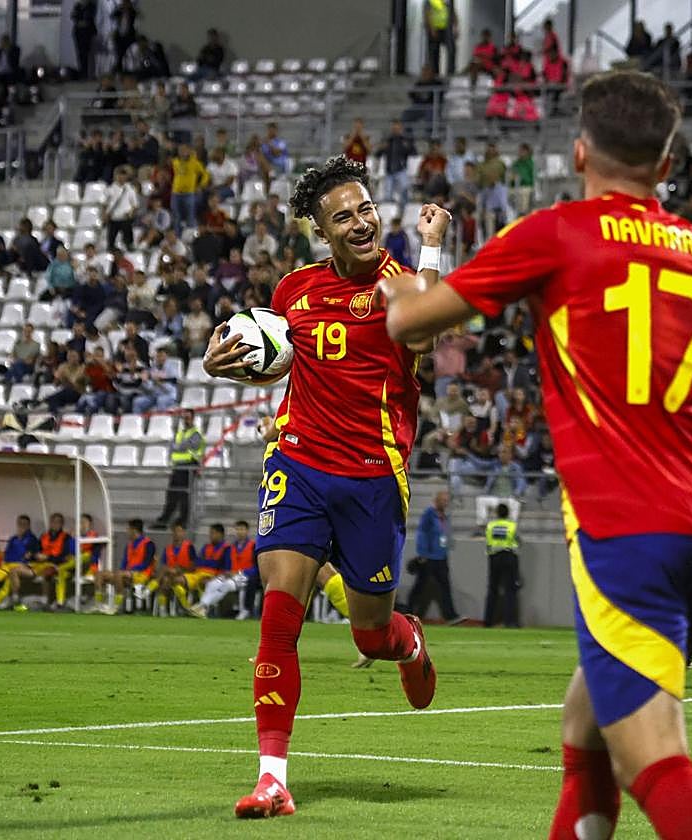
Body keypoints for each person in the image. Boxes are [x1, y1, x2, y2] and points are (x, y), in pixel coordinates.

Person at [380, 69, 692, 840]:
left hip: (627, 526)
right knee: (584, 722)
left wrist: (411, 270)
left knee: (653, 762)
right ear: (667, 166)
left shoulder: (556, 233)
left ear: (577, 152)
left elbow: (410, 326)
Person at [202, 155, 449, 819]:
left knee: (370, 635)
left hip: (373, 476)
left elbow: (424, 326)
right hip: (298, 464)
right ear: (323, 232)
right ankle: (272, 779)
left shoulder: (400, 283)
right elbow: (278, 362)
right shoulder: (292, 292)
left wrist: (432, 246)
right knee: (279, 615)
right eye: (344, 216)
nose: (362, 221)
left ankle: (406, 639)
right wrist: (222, 363)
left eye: (366, 208)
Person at [408, 490, 460, 623]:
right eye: (443, 500)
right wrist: (422, 553)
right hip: (429, 557)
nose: (445, 503)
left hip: (441, 556)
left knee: (445, 587)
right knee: (419, 587)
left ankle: (451, 616)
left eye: (447, 500)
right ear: (436, 501)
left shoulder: (445, 516)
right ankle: (408, 612)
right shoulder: (429, 514)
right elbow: (422, 533)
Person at [7, 513, 75, 612]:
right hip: (39, 564)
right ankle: (15, 600)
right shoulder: (44, 536)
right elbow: (36, 551)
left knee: (47, 572)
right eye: (53, 522)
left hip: (55, 565)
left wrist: (48, 557)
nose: (55, 524)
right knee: (14, 570)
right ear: (50, 523)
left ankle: (45, 601)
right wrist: (33, 555)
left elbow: (66, 557)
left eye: (58, 522)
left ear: (62, 524)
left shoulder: (66, 538)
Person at [192, 520, 256, 617]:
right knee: (212, 584)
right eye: (238, 529)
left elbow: (256, 567)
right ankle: (201, 608)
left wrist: (239, 572)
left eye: (242, 529)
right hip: (231, 575)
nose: (239, 532)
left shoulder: (253, 546)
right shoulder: (231, 547)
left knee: (228, 585)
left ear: (247, 531)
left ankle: (203, 606)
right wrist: (227, 572)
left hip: (245, 576)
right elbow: (227, 565)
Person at [154, 410, 204, 528]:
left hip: (188, 467)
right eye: (184, 418)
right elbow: (173, 447)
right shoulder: (180, 433)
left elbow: (183, 447)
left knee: (184, 495)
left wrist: (178, 447)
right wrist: (179, 447)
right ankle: (165, 519)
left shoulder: (196, 433)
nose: (185, 420)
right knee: (172, 494)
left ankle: (182, 521)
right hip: (177, 467)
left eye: (187, 418)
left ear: (193, 419)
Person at [93, 518, 154, 615]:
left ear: (134, 530)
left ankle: (116, 606)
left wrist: (130, 570)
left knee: (118, 574)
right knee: (100, 574)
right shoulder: (129, 545)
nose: (127, 531)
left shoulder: (149, 544)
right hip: (126, 574)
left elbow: (146, 563)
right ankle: (99, 604)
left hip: (142, 574)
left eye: (128, 529)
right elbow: (124, 563)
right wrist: (123, 571)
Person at [483, 502, 521, 628]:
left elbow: (488, 542)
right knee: (510, 590)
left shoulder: (491, 525)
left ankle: (488, 621)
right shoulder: (512, 526)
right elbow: (518, 541)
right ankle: (510, 621)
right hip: (509, 557)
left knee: (492, 590)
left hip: (494, 558)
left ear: (497, 513)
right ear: (508, 513)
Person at [148, 521, 197, 616]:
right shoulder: (168, 548)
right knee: (166, 578)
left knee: (166, 576)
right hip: (170, 575)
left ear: (183, 533)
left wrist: (180, 569)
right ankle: (165, 609)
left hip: (184, 574)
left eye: (179, 531)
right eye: (174, 531)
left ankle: (151, 588)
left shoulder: (189, 547)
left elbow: (193, 567)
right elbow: (163, 565)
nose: (176, 534)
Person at [424, 0, 456, 75]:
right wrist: (431, 28)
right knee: (434, 51)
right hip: (435, 28)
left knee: (451, 49)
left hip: (446, 29)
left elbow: (453, 13)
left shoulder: (447, 1)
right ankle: (434, 72)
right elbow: (427, 14)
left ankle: (450, 71)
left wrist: (455, 26)